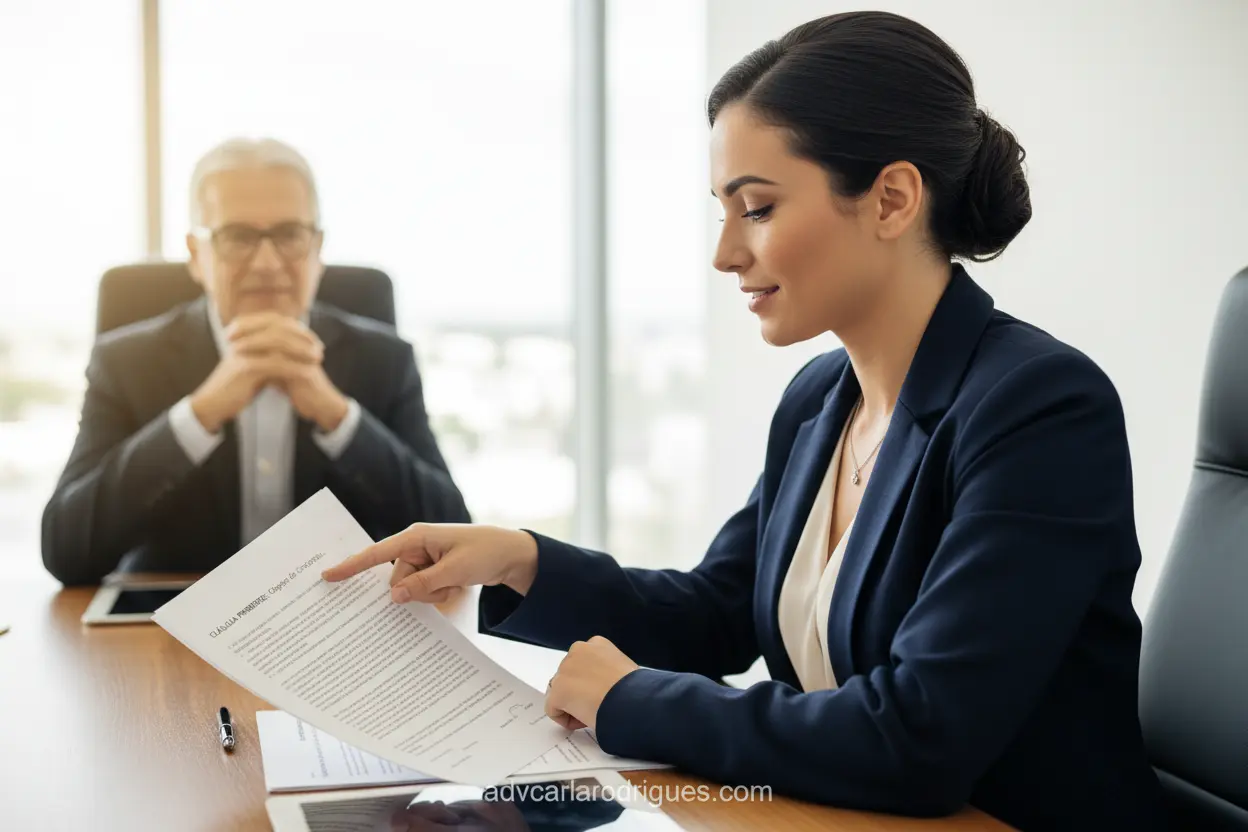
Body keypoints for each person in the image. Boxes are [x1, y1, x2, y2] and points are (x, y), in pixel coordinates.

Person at [323, 13, 1167, 831]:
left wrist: (627, 699)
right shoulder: (820, 398)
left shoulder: (1041, 408)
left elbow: (921, 734)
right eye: (722, 212)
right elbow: (715, 612)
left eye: (756, 208)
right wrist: (523, 562)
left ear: (892, 199)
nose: (725, 252)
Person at [42, 137, 470, 586]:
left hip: (335, 627)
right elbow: (65, 551)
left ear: (317, 249)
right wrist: (199, 413)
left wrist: (337, 416)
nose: (267, 263)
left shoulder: (384, 360)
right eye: (238, 237)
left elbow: (451, 540)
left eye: (289, 235)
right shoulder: (127, 362)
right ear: (195, 256)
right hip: (165, 629)